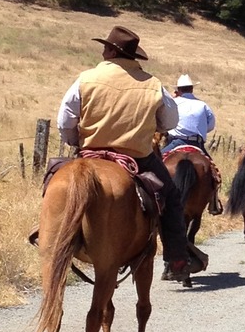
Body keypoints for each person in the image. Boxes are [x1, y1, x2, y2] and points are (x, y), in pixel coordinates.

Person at [56, 25, 194, 279]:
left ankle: (44, 231)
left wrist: (76, 142)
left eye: (105, 47)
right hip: (138, 158)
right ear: (132, 56)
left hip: (90, 153)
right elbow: (171, 121)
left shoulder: (85, 79)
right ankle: (176, 259)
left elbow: (65, 120)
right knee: (171, 197)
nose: (102, 51)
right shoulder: (153, 85)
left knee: (53, 182)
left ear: (110, 50)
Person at [164, 73, 216, 152]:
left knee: (156, 161)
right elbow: (211, 126)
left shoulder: (173, 103)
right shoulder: (203, 105)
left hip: (176, 142)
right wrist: (199, 128)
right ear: (192, 89)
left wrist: (171, 98)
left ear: (178, 90)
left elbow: (165, 121)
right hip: (197, 143)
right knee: (211, 164)